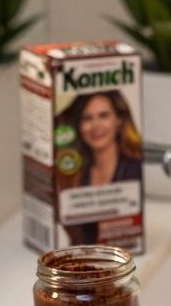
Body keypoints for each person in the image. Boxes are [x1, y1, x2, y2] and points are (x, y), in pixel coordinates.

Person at [57, 91, 143, 244]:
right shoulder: (75, 175)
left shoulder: (135, 170)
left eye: (103, 116)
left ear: (119, 121)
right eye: (87, 119)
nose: (96, 126)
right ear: (79, 127)